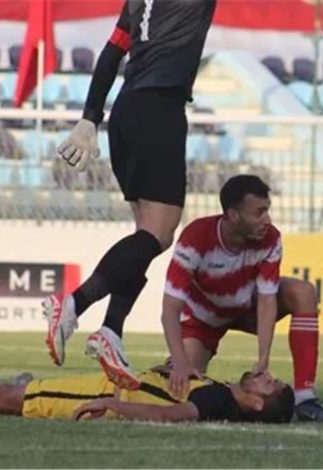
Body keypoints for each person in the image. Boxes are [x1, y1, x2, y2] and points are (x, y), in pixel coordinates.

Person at [45, 0, 217, 390]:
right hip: (159, 109)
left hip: (128, 110)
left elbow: (111, 52)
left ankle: (111, 330)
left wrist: (90, 118)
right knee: (158, 234)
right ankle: (73, 304)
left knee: (146, 234)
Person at [161, 175, 323, 423]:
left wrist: (263, 356)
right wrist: (178, 361)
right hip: (203, 320)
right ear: (233, 215)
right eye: (259, 212)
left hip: (247, 309)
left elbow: (266, 301)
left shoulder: (271, 238)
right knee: (180, 386)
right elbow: (170, 309)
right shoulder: (196, 237)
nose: (267, 220)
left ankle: (305, 398)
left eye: (268, 211)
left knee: (303, 292)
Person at [0, 364, 294, 424]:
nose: (265, 375)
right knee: (24, 393)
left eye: (269, 384)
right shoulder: (222, 391)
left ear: (256, 403)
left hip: (104, 395)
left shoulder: (220, 402)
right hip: (110, 384)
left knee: (11, 398)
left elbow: (175, 415)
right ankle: (26, 385)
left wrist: (112, 403)